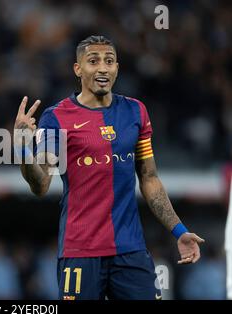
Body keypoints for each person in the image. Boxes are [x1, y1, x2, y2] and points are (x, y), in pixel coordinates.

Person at [13, 35, 205, 300]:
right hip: (80, 251)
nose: (102, 67)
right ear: (78, 69)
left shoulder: (136, 112)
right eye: (93, 61)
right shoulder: (56, 117)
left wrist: (179, 230)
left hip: (131, 251)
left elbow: (149, 178)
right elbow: (40, 184)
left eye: (109, 61)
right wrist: (23, 148)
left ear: (117, 68)